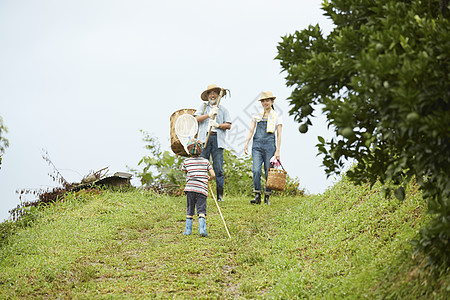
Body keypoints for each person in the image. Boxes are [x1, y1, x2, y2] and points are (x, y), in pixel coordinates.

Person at [244, 91, 283, 205]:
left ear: (272, 101)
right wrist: (246, 142)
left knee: (268, 171)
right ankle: (257, 194)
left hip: (270, 145)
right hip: (257, 145)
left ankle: (267, 196)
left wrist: (278, 150)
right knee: (256, 170)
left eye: (267, 100)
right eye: (263, 101)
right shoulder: (257, 115)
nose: (265, 103)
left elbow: (279, 134)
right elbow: (251, 130)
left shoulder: (277, 116)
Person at [194, 84, 232, 202]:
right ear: (207, 95)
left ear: (218, 94)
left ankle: (220, 196)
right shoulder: (203, 107)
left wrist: (218, 125)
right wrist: (208, 115)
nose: (212, 95)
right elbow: (195, 119)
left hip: (217, 140)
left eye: (214, 93)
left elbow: (228, 125)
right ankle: (200, 193)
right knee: (201, 166)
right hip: (204, 139)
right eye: (210, 93)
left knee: (218, 168)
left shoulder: (223, 110)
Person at [181, 138, 215, 237]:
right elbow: (213, 174)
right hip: (201, 189)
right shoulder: (206, 162)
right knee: (201, 210)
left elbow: (185, 171)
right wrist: (208, 178)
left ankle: (187, 231)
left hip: (190, 188)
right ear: (201, 150)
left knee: (190, 209)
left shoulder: (186, 161)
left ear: (188, 150)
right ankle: (202, 229)